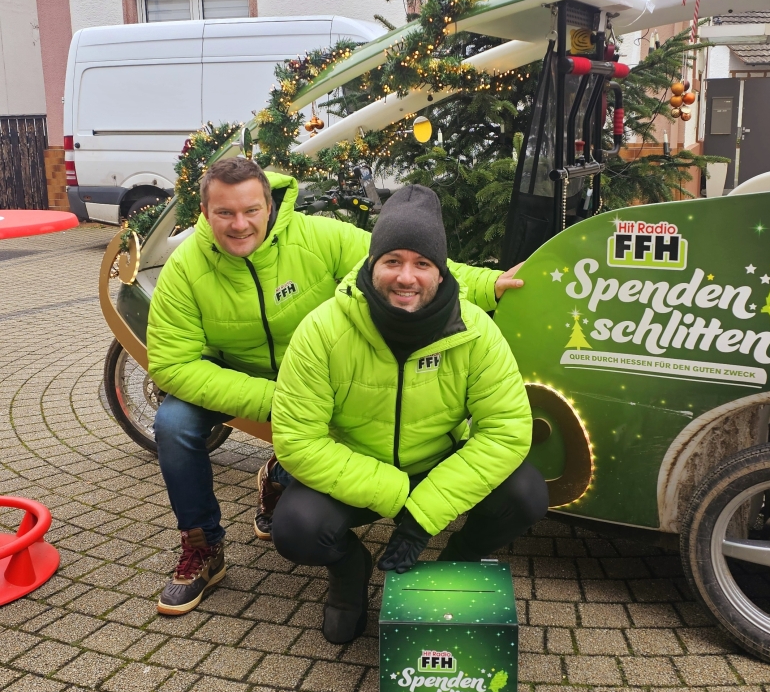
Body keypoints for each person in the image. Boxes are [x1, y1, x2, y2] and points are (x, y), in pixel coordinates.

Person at [147, 159, 523, 616]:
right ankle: (203, 544)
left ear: (269, 207)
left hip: (320, 372)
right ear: (206, 213)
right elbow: (172, 364)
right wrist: (275, 401)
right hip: (242, 378)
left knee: (318, 444)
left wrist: (490, 283)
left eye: (250, 210)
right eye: (225, 213)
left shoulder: (318, 237)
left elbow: (401, 261)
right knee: (173, 424)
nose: (239, 224)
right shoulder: (185, 268)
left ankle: (282, 478)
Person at [270, 185, 548, 644]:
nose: (406, 277)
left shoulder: (476, 331)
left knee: (526, 494)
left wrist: (424, 516)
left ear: (440, 272)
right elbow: (298, 441)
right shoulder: (322, 330)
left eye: (422, 263)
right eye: (392, 260)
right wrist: (398, 496)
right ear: (371, 264)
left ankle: (454, 565)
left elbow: (506, 431)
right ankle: (349, 571)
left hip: (437, 464)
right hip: (356, 467)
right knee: (297, 530)